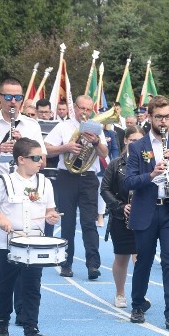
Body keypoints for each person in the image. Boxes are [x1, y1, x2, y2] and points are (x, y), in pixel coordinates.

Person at [0, 78, 47, 323]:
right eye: (9, 97)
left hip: (24, 187)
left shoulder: (31, 124)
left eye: (18, 98)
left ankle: (23, 309)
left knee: (25, 249)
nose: (13, 102)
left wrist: (24, 147)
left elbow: (42, 160)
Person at [124, 95, 169, 331]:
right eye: (159, 117)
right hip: (146, 210)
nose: (164, 121)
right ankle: (137, 305)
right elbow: (128, 182)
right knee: (143, 261)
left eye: (168, 117)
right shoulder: (137, 147)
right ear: (149, 117)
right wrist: (152, 174)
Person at [0, 138, 60, 336]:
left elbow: (49, 211)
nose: (40, 162)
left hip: (35, 245)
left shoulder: (45, 182)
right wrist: (1, 218)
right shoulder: (4, 181)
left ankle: (30, 331)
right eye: (36, 158)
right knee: (5, 285)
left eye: (41, 157)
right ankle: (3, 323)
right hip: (8, 244)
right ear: (21, 159)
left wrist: (52, 216)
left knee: (32, 287)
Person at [45, 95, 109, 279]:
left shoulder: (96, 127)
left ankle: (93, 266)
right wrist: (66, 147)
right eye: (82, 108)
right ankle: (66, 264)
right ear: (75, 107)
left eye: (88, 109)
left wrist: (96, 141)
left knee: (89, 222)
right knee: (68, 223)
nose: (84, 112)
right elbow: (47, 148)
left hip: (88, 178)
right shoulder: (64, 126)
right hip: (66, 177)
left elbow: (104, 154)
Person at [100, 126, 143, 308]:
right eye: (132, 140)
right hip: (121, 218)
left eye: (139, 141)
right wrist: (120, 207)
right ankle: (120, 293)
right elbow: (105, 189)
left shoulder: (149, 163)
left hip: (143, 218)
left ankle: (139, 294)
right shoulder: (116, 164)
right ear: (125, 140)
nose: (136, 144)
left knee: (142, 258)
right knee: (122, 258)